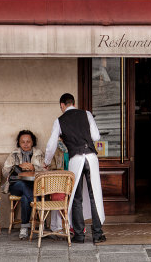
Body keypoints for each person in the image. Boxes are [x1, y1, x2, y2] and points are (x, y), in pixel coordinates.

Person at [44, 93, 106, 244]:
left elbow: (51, 146)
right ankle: (97, 234)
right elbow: (96, 136)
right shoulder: (87, 114)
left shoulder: (59, 120)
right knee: (94, 195)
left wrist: (46, 161)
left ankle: (79, 235)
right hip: (91, 156)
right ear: (73, 103)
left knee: (76, 197)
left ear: (62, 105)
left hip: (75, 159)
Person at [2, 130, 45, 239]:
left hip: (34, 185)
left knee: (25, 198)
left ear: (32, 142)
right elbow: (4, 172)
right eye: (23, 142)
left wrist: (34, 168)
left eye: (28, 142)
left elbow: (46, 171)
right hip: (16, 186)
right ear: (19, 143)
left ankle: (24, 227)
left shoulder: (39, 154)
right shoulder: (14, 154)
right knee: (22, 184)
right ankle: (39, 208)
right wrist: (18, 166)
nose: (25, 144)